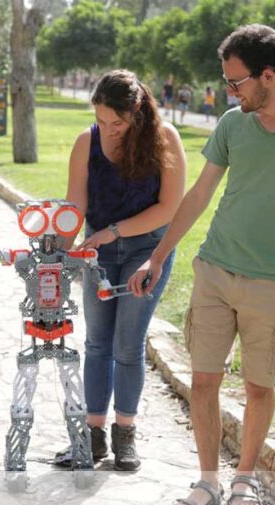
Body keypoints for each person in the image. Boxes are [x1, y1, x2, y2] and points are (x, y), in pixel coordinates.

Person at [127, 24, 275, 505]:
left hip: (274, 282)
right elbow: (200, 195)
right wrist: (160, 254)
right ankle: (208, 481)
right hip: (214, 269)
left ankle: (244, 479)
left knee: (258, 387)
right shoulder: (233, 124)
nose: (230, 92)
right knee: (203, 380)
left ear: (268, 75)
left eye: (236, 83)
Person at [55, 69, 186, 472]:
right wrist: (58, 258)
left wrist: (113, 232)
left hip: (147, 250)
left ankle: (124, 434)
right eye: (101, 121)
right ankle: (92, 437)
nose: (108, 130)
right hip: (98, 252)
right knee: (96, 342)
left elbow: (169, 208)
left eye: (118, 122)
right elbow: (75, 205)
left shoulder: (165, 140)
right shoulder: (86, 143)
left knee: (128, 344)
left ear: (138, 115)